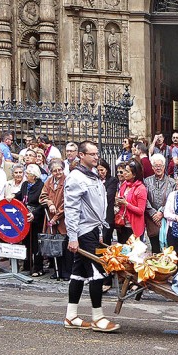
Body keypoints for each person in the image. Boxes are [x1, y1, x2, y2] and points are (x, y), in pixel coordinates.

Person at [63, 140, 119, 332]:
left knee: (78, 273)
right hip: (84, 231)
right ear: (81, 155)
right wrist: (73, 236)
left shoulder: (92, 174)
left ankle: (71, 316)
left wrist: (100, 232)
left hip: (93, 229)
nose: (96, 157)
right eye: (92, 154)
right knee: (97, 272)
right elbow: (71, 209)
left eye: (97, 154)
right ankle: (98, 318)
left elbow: (98, 206)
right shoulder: (76, 178)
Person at [15, 164, 47, 276]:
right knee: (26, 241)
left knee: (36, 243)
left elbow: (42, 203)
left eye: (28, 173)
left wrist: (34, 214)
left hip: (37, 217)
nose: (26, 175)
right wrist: (11, 197)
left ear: (34, 175)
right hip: (25, 216)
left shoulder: (41, 185)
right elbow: (20, 195)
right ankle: (27, 264)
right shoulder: (25, 184)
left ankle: (38, 268)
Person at [41, 158, 70, 280]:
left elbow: (67, 203)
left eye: (60, 170)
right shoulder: (49, 181)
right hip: (50, 216)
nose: (58, 172)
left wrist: (56, 216)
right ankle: (57, 271)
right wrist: (49, 203)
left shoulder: (67, 181)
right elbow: (42, 196)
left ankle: (67, 272)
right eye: (55, 171)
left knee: (65, 245)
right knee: (54, 244)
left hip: (63, 219)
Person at [144, 153, 173, 254]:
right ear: (152, 167)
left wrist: (161, 212)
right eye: (156, 166)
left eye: (160, 165)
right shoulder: (147, 181)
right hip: (152, 219)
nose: (158, 168)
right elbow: (144, 199)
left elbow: (172, 200)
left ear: (164, 166)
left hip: (166, 218)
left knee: (167, 249)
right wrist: (153, 214)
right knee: (155, 248)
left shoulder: (172, 182)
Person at [114, 158, 147, 243]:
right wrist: (118, 201)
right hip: (122, 223)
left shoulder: (141, 188)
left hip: (133, 226)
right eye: (125, 170)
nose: (124, 173)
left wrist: (126, 204)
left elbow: (141, 211)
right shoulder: (124, 184)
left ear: (134, 174)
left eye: (127, 171)